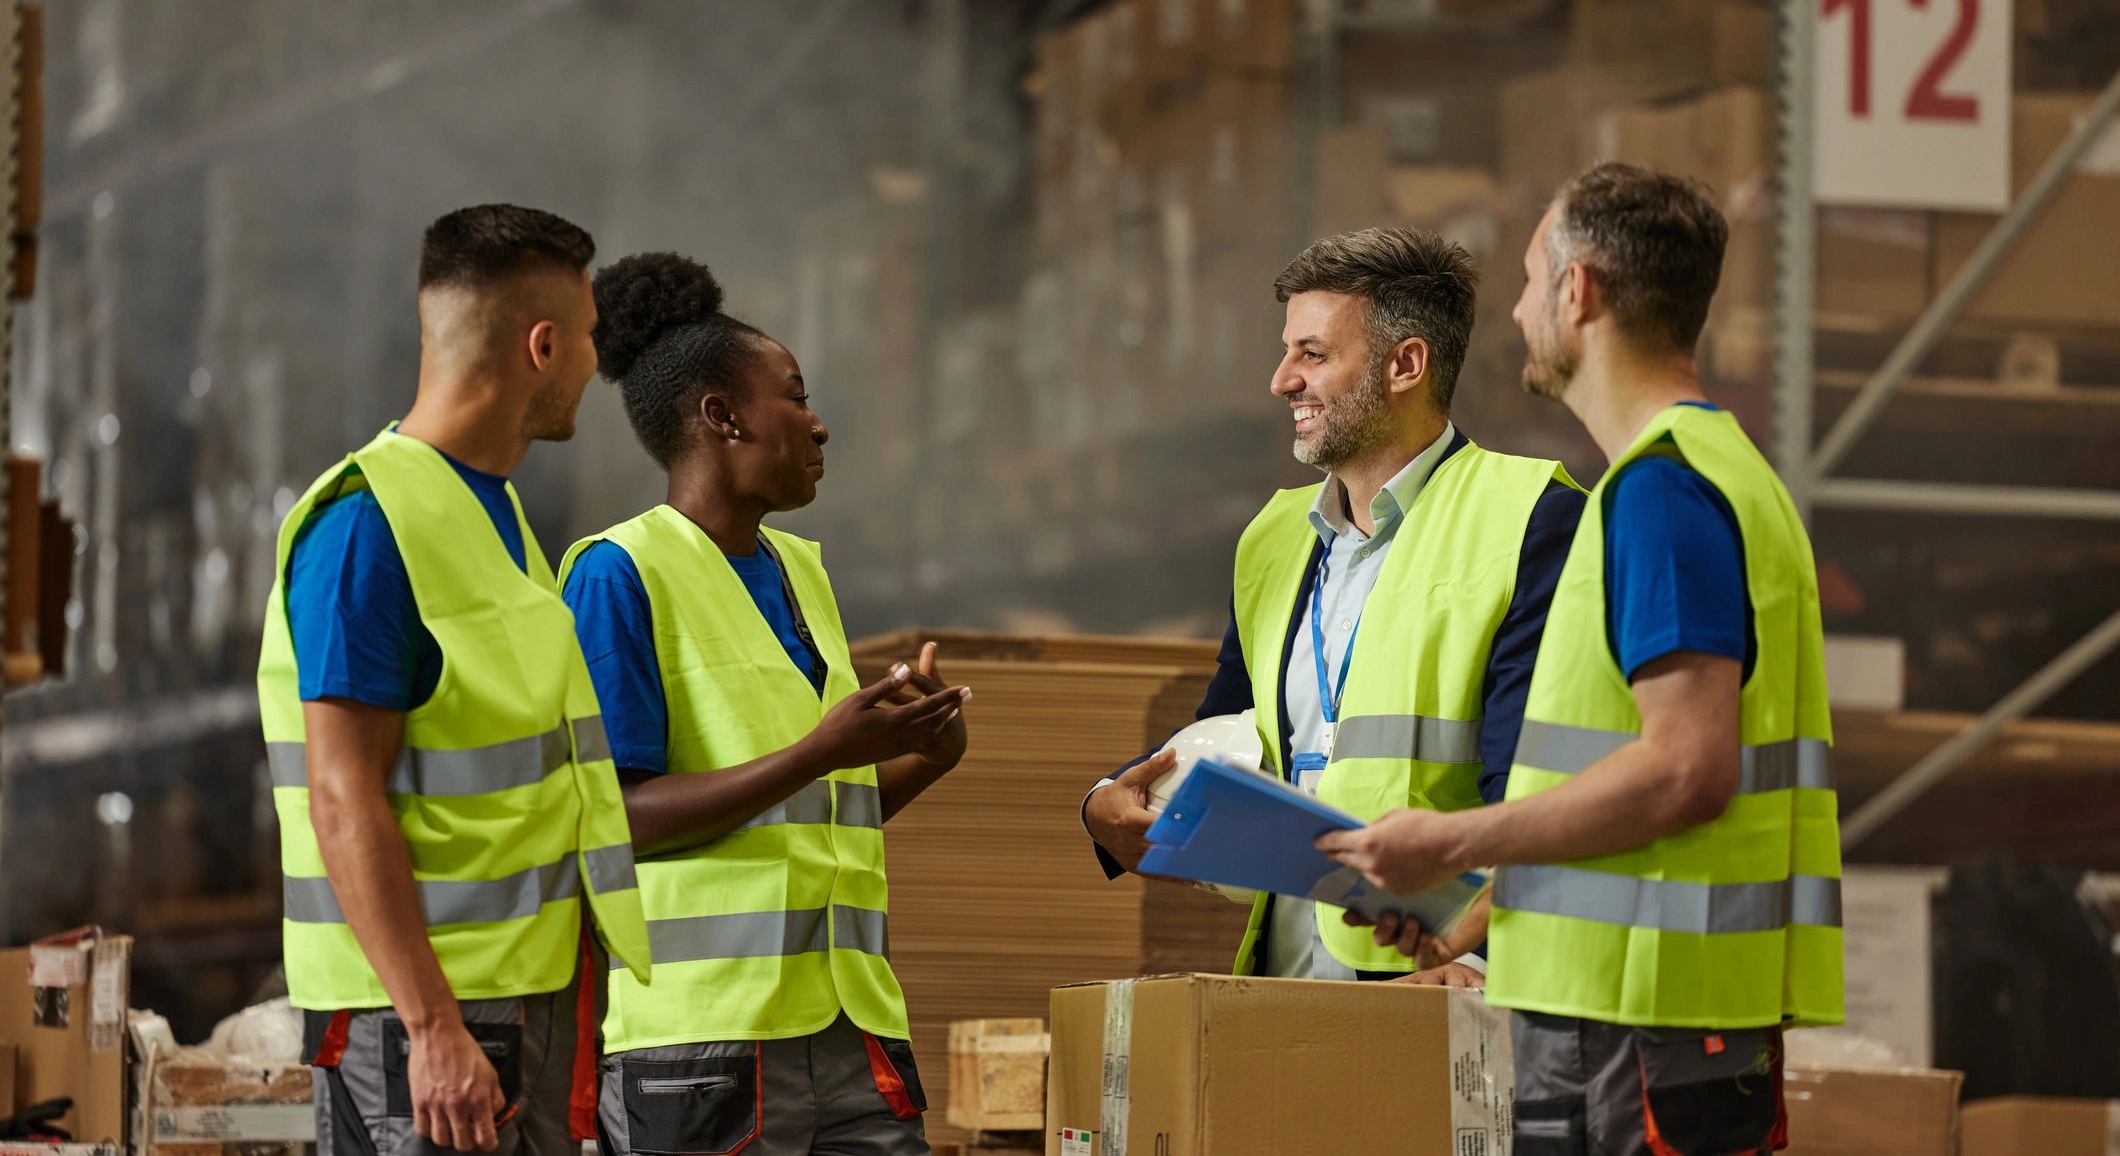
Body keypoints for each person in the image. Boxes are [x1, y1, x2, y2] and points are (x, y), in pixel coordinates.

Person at [1318, 164, 1845, 1154]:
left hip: (1633, 1033)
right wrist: (1467, 914)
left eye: (1526, 279)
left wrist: (1450, 840)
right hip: (1659, 1022)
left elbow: (1684, 769)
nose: (1516, 309)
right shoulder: (1713, 476)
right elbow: (1628, 796)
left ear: (1577, 291)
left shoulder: (1660, 492)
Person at [1083, 227, 1585, 983]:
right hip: (1285, 976)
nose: (1282, 380)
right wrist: (1104, 806)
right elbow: (1231, 729)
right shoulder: (1275, 535)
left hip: (1440, 978)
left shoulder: (1531, 517)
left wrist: (1484, 958)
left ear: (1405, 364)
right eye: (1288, 352)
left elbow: (1544, 788)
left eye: (1312, 354)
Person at [256, 206, 652, 1156]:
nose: (596, 364)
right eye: (590, 338)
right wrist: (434, 1027)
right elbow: (344, 800)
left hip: (512, 1007)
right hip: (424, 1026)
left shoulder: (496, 519)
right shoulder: (367, 524)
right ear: (542, 345)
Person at [561, 252, 967, 1156]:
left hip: (850, 1020)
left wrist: (923, 755)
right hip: (702, 1043)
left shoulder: (802, 576)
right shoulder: (618, 573)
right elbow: (613, 820)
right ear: (722, 416)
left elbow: (814, 816)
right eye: (796, 396)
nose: (820, 425)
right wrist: (822, 750)